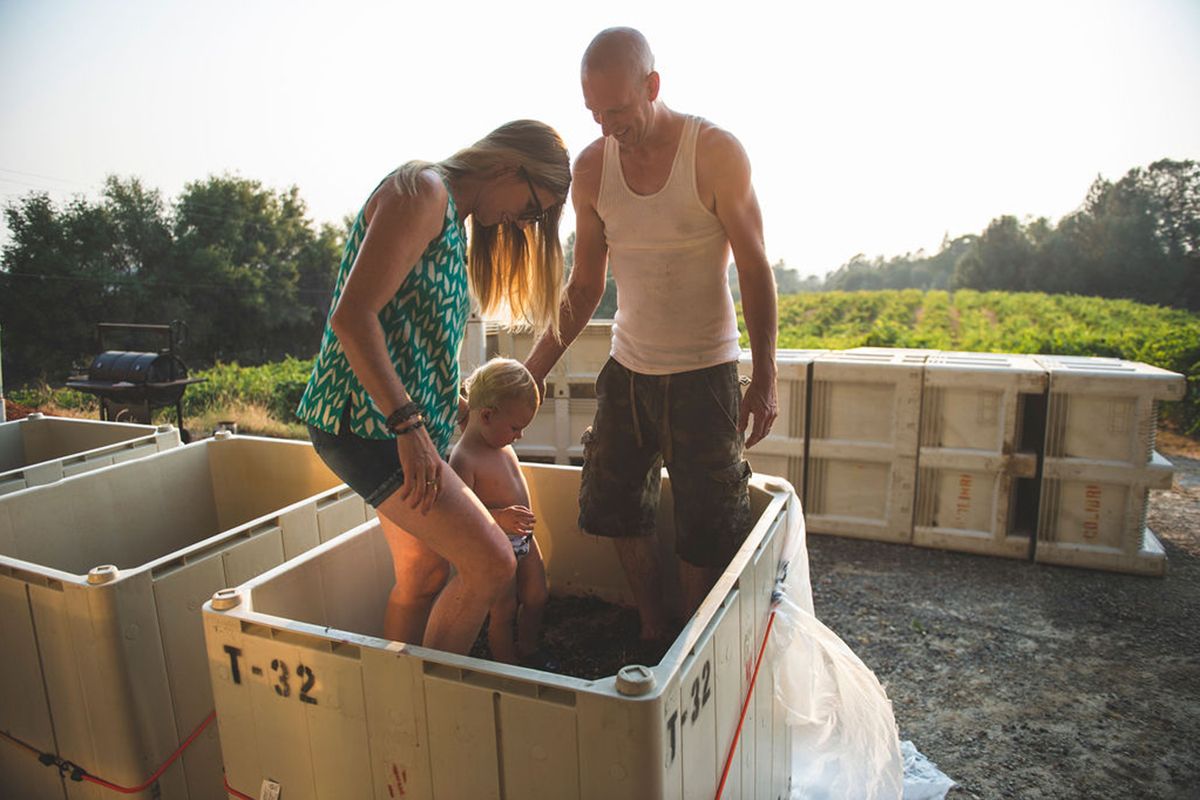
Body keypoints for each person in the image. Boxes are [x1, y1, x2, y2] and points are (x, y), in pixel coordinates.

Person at [524, 27, 779, 649]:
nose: (607, 125)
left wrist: (765, 377)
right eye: (594, 113)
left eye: (618, 110)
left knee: (708, 519)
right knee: (611, 503)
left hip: (706, 372)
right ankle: (652, 623)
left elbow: (754, 267)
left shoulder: (714, 152)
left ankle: (686, 636)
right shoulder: (591, 168)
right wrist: (529, 372)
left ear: (653, 86)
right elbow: (584, 290)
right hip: (628, 370)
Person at [296, 120, 570, 656]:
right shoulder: (422, 192)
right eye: (534, 208)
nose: (525, 222)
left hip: (393, 422)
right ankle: (431, 701)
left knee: (423, 574)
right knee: (491, 563)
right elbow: (353, 318)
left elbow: (410, 338)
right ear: (511, 167)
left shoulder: (452, 220)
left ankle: (395, 692)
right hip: (368, 424)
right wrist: (410, 424)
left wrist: (454, 405)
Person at [450, 358, 549, 666]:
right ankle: (506, 665)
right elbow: (460, 519)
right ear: (488, 415)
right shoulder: (464, 459)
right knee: (502, 611)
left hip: (525, 539)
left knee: (537, 597)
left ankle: (530, 648)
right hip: (494, 547)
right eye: (516, 427)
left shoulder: (499, 439)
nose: (519, 436)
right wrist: (499, 518)